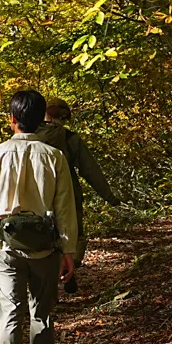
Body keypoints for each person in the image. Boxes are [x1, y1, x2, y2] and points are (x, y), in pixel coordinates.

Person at [0, 88, 78, 344]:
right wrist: (68, 250)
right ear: (40, 120)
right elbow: (65, 208)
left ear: (12, 120)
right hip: (46, 246)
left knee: (9, 314)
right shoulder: (54, 157)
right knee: (42, 310)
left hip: (6, 245)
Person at [36, 98, 119, 295]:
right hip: (69, 191)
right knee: (74, 234)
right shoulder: (70, 138)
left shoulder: (30, 137)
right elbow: (90, 170)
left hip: (37, 193)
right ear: (65, 116)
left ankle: (42, 274)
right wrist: (109, 197)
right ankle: (69, 270)